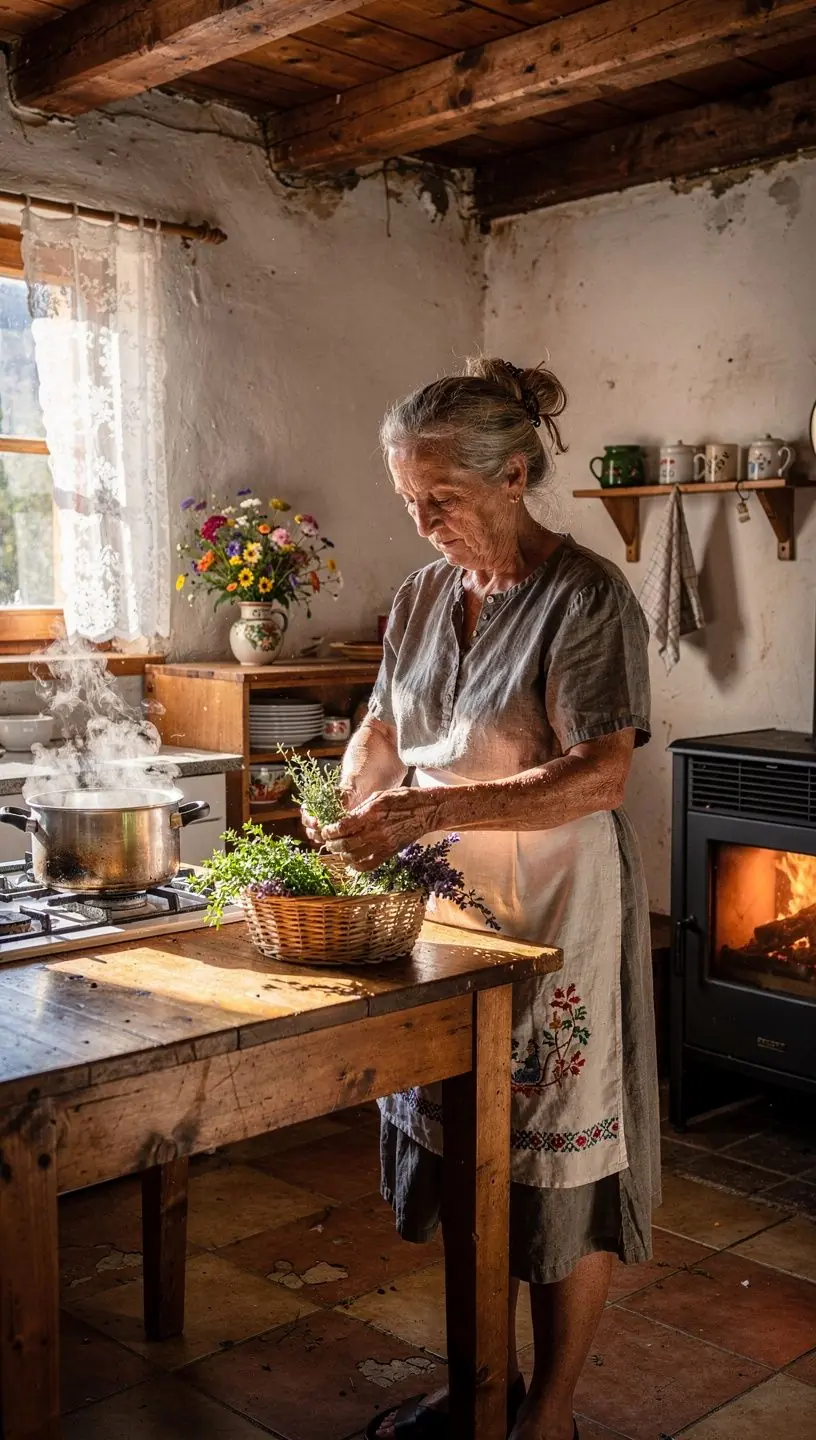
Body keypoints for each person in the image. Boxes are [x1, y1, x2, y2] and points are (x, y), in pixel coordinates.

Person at [304, 357, 660, 1440]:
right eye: (407, 500)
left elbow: (602, 774)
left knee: (557, 1164)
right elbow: (383, 723)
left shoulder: (587, 595)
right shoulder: (421, 596)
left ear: (514, 475)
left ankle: (547, 1413)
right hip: (445, 917)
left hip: (556, 914)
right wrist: (359, 791)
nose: (422, 523)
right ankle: (479, 1387)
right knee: (466, 1147)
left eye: (441, 501)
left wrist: (415, 813)